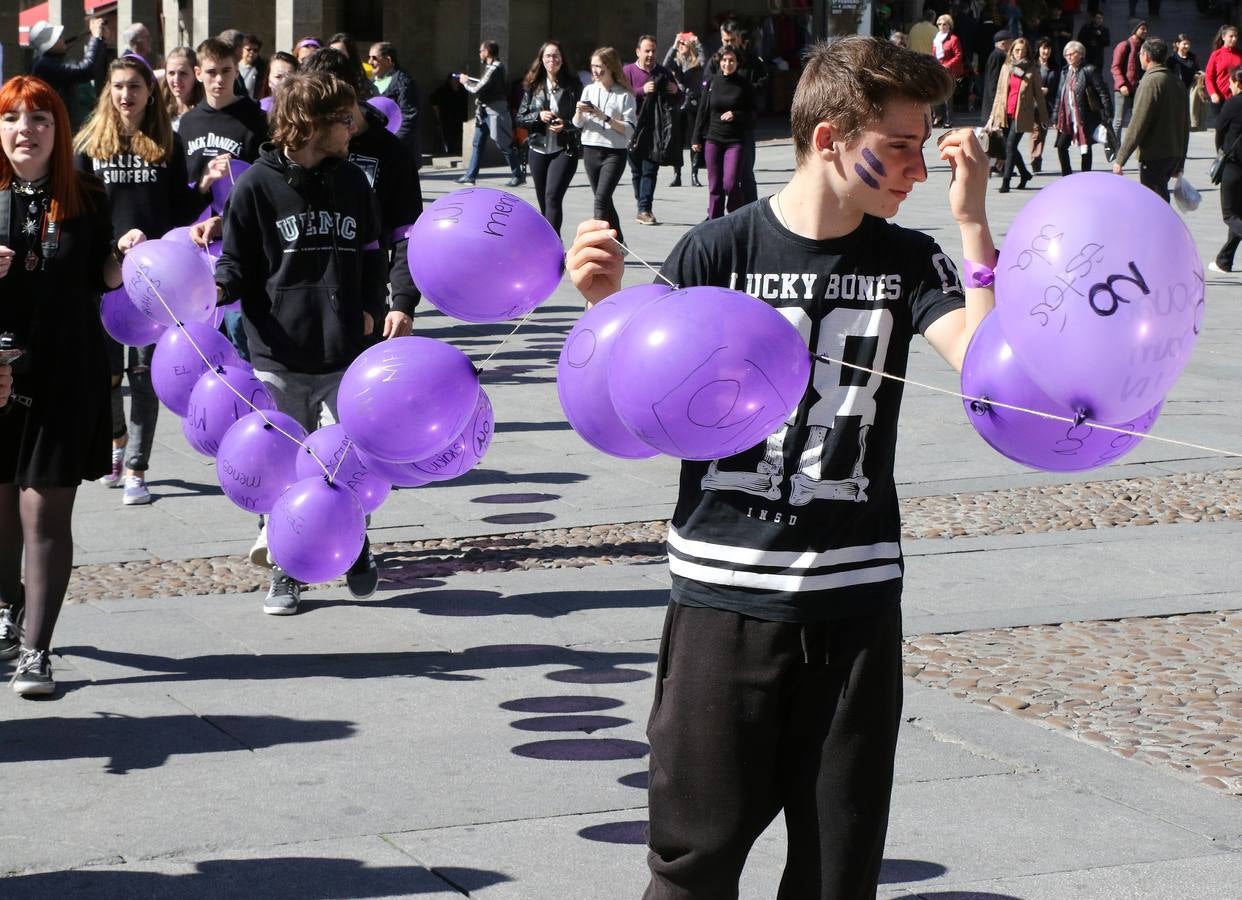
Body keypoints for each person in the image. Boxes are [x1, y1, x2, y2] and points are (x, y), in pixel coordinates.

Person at [566, 34, 996, 899]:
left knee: (839, 873)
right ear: (833, 137)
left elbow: (989, 369)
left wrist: (973, 220)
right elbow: (639, 412)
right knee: (694, 862)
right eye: (902, 145)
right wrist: (606, 311)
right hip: (725, 601)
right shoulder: (716, 253)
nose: (919, 166)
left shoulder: (908, 260)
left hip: (857, 605)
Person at [210, 71, 388, 615]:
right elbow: (237, 263)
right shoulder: (256, 186)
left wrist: (376, 310)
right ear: (309, 125)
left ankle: (353, 544)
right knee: (284, 472)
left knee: (349, 464)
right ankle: (287, 570)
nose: (351, 127)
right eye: (342, 118)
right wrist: (211, 292)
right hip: (277, 353)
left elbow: (373, 254)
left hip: (343, 354)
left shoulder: (354, 182)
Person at [0, 76, 143, 693]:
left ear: (59, 131)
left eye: (39, 119)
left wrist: (125, 257)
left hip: (67, 372)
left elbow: (104, 280)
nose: (24, 130)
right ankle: (10, 610)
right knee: (2, 508)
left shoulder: (86, 196)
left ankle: (37, 649)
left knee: (43, 510)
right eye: (12, 119)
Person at [75, 54, 225, 507]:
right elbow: (78, 213)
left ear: (149, 92)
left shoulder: (167, 141)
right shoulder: (87, 144)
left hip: (154, 280)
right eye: (119, 86)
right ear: (108, 90)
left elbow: (176, 209)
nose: (127, 95)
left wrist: (202, 190)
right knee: (105, 376)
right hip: (103, 274)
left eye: (135, 87)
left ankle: (138, 466)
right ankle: (117, 439)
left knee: (144, 377)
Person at [178, 38, 268, 186]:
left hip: (240, 206)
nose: (219, 79)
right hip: (200, 207)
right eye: (211, 72)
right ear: (198, 73)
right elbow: (181, 182)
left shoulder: (256, 117)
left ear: (237, 71)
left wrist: (237, 168)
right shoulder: (188, 122)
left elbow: (265, 177)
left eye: (226, 71)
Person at [515, 42, 582, 238]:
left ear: (562, 59)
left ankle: (553, 242)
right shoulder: (533, 85)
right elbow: (519, 118)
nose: (552, 60)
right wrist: (538, 116)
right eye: (548, 56)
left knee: (553, 197)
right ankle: (548, 241)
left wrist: (566, 124)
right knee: (544, 200)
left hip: (564, 149)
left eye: (556, 56)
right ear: (541, 59)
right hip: (538, 148)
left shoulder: (573, 85)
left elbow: (581, 120)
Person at [1113, 38, 1190, 203]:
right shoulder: (1177, 82)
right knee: (1160, 197)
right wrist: (1181, 160)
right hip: (1173, 153)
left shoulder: (1150, 82)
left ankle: (1165, 229)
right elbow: (1185, 124)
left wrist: (1121, 158)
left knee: (1155, 202)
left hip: (1154, 154)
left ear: (1146, 56)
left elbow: (1138, 123)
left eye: (1140, 54)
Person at [573, 48, 637, 243]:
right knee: (604, 199)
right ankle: (619, 240)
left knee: (601, 199)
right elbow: (577, 124)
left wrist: (605, 117)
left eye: (599, 66)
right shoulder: (589, 90)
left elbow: (629, 129)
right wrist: (579, 112)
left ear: (610, 67)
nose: (594, 71)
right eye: (592, 66)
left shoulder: (624, 95)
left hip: (614, 153)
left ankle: (598, 244)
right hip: (591, 149)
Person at [692, 46, 755, 220]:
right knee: (715, 186)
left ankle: (734, 217)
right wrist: (696, 138)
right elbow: (702, 112)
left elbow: (752, 115)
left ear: (737, 62)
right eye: (724, 60)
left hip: (735, 141)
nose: (727, 64)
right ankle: (714, 221)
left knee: (731, 184)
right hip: (713, 139)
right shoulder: (712, 82)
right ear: (719, 62)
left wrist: (736, 114)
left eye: (731, 60)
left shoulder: (743, 84)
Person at [625, 35, 681, 226]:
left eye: (653, 51)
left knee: (650, 170)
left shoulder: (663, 72)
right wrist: (640, 90)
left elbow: (679, 97)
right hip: (632, 129)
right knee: (636, 172)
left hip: (655, 130)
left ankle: (644, 209)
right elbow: (620, 94)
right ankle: (641, 202)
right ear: (638, 52)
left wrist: (675, 90)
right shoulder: (628, 71)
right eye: (646, 51)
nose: (650, 55)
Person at [457, 41, 524, 187]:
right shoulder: (491, 67)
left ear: (487, 52)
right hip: (484, 112)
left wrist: (465, 82)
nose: (480, 53)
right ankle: (470, 175)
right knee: (477, 143)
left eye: (481, 51)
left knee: (503, 143)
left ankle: (518, 175)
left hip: (494, 112)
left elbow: (477, 89)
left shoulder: (495, 68)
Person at [987, 36, 1047, 192]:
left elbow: (1039, 96)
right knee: (1010, 147)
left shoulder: (1031, 69)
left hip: (1022, 115)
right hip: (1005, 113)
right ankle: (1025, 173)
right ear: (1011, 51)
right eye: (1017, 50)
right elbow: (1000, 93)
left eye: (1023, 51)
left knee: (1010, 146)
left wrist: (1044, 118)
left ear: (1027, 52)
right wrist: (991, 117)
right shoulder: (1007, 67)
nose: (1020, 53)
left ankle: (1006, 182)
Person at [28, 17, 109, 130]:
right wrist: (96, 38)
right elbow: (86, 70)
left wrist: (101, 40)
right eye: (59, 36)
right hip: (58, 126)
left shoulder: (47, 61)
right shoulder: (45, 65)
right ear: (51, 44)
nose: (62, 38)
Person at [1051, 40, 1113, 174]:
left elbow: (1102, 92)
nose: (1068, 57)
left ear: (1080, 55)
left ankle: (1086, 176)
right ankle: (1066, 176)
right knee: (1061, 146)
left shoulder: (1090, 70)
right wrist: (1055, 116)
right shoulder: (1065, 71)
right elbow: (1059, 95)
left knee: (1085, 146)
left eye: (1071, 54)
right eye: (1066, 54)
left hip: (1084, 115)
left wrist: (1108, 114)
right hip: (1067, 117)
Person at [1209, 67, 1242, 274]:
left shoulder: (1233, 104)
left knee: (1230, 215)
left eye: (1231, 82)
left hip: (1234, 164)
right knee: (1239, 213)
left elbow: (1219, 130)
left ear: (1237, 83)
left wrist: (1219, 151)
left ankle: (1224, 261)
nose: (1229, 86)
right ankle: (1224, 261)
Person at [368, 42, 421, 163]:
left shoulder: (404, 82)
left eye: (374, 58)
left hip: (398, 151)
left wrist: (393, 144)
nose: (370, 62)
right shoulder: (370, 84)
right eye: (369, 57)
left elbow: (409, 117)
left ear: (388, 59)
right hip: (376, 149)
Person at [664, 33, 705, 188]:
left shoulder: (697, 63)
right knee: (677, 142)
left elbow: (705, 60)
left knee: (695, 141)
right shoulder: (676, 63)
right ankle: (677, 175)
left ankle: (694, 174)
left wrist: (698, 43)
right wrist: (674, 45)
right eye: (680, 45)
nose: (682, 46)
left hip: (694, 106)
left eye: (684, 44)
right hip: (679, 105)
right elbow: (665, 64)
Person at [1111, 19, 1148, 145]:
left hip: (1138, 89)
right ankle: (1114, 146)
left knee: (1137, 119)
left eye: (1145, 29)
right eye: (1142, 29)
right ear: (1134, 30)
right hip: (1124, 90)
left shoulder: (1145, 47)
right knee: (1119, 121)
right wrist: (1121, 84)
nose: (1145, 31)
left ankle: (1132, 146)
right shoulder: (1124, 45)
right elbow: (1115, 67)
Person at [1032, 38, 1060, 173]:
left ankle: (1037, 157)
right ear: (1038, 49)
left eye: (1048, 48)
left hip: (1048, 104)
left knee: (1042, 132)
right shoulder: (1032, 65)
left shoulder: (1054, 66)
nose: (1046, 51)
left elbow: (1058, 85)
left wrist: (1049, 90)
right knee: (1036, 131)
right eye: (1043, 48)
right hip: (1032, 104)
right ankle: (1035, 157)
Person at [933, 14, 966, 126]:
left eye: (944, 24)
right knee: (936, 93)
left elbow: (959, 55)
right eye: (939, 24)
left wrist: (947, 65)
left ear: (949, 26)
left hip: (949, 70)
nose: (941, 26)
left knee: (947, 96)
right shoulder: (937, 38)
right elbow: (934, 54)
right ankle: (939, 116)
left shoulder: (953, 39)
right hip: (937, 69)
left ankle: (949, 120)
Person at [1204, 27, 1242, 124]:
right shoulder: (1216, 55)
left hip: (1236, 99)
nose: (1234, 39)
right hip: (1219, 100)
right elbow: (1209, 77)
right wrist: (1213, 93)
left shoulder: (1240, 54)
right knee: (1221, 128)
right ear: (1223, 37)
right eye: (1231, 36)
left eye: (1236, 36)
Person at [162, 47, 204, 130]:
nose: (176, 79)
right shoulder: (160, 110)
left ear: (196, 74)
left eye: (183, 73)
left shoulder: (204, 112)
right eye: (171, 73)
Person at [328, 34, 375, 101]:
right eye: (331, 52)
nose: (335, 56)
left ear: (350, 55)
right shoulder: (324, 80)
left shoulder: (363, 83)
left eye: (340, 53)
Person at [238, 34, 267, 100]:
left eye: (255, 50)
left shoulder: (262, 69)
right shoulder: (234, 66)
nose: (252, 52)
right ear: (241, 49)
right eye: (248, 49)